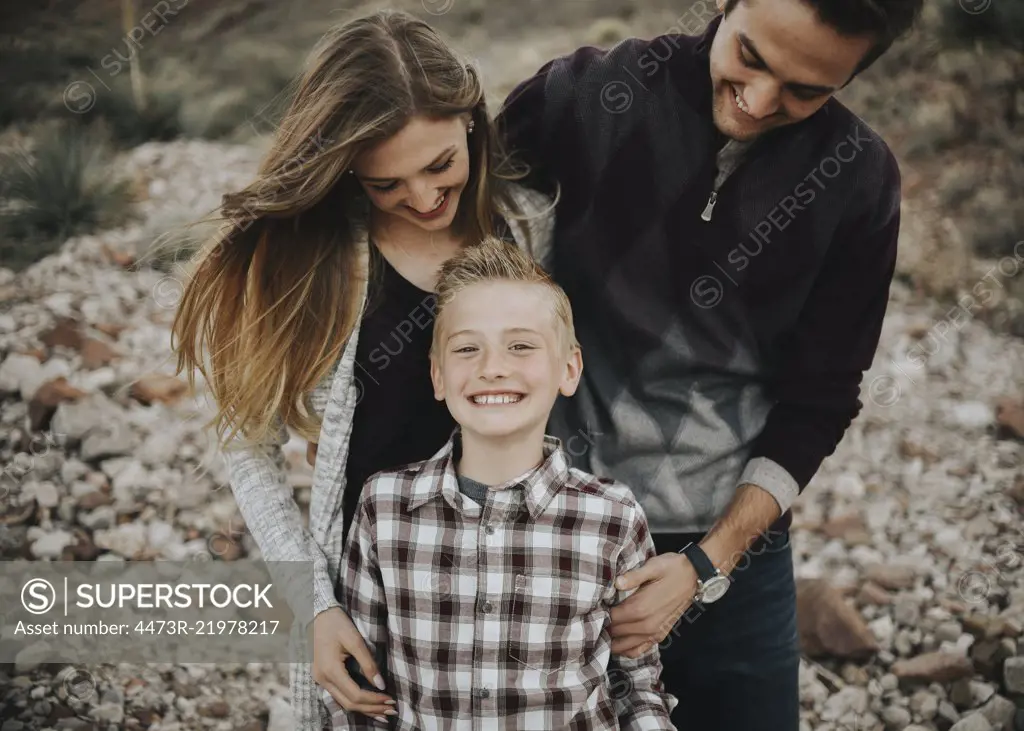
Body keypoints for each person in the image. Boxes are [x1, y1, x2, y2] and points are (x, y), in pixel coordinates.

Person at [495, 0, 925, 728]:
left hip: (734, 550)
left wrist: (705, 564)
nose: (759, 103)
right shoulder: (588, 94)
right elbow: (448, 232)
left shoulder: (861, 182)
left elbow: (820, 399)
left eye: (805, 90)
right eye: (751, 58)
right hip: (552, 524)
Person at [170, 11, 555, 730]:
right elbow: (247, 447)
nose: (422, 197)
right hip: (372, 610)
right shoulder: (316, 260)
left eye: (440, 164)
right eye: (386, 183)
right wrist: (313, 602)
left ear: (471, 120)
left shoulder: (530, 229)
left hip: (521, 599)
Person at [323, 238, 677, 730]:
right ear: (438, 375)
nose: (492, 367)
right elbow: (362, 693)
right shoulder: (384, 507)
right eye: (468, 348)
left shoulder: (612, 516)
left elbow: (637, 688)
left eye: (521, 346)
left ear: (569, 368)